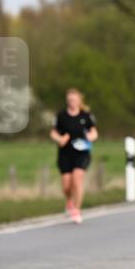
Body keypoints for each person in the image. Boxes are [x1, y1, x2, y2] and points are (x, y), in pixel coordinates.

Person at [49, 88, 99, 224]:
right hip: (65, 153)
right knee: (66, 184)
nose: (72, 102)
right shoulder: (61, 116)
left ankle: (77, 209)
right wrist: (59, 139)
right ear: (67, 101)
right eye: (70, 99)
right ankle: (69, 201)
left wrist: (90, 137)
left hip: (82, 153)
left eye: (74, 99)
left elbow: (94, 133)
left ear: (79, 100)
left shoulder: (86, 116)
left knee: (77, 179)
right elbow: (53, 133)